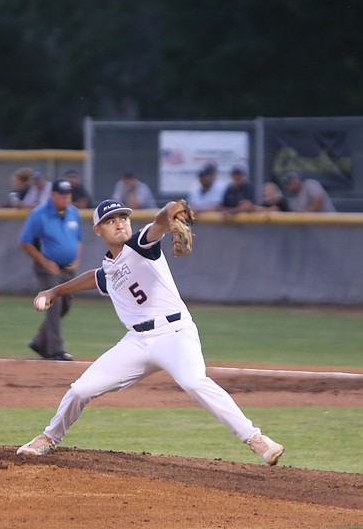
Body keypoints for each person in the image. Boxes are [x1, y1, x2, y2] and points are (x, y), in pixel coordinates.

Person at [16, 198, 284, 466]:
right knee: (80, 390)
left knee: (194, 382)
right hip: (136, 342)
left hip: (174, 333)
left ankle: (256, 439)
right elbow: (93, 277)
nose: (119, 223)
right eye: (110, 220)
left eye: (123, 218)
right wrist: (54, 290)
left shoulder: (141, 245)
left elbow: (159, 222)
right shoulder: (109, 270)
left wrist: (171, 209)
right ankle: (48, 438)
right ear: (98, 230)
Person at [18, 178, 82, 361]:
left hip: (68, 268)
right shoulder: (39, 214)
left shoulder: (73, 213)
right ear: (53, 195)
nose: (66, 198)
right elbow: (25, 242)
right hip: (47, 267)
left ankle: (40, 342)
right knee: (54, 304)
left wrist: (76, 260)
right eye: (62, 195)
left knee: (66, 304)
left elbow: (78, 239)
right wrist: (45, 262)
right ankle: (56, 350)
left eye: (68, 194)